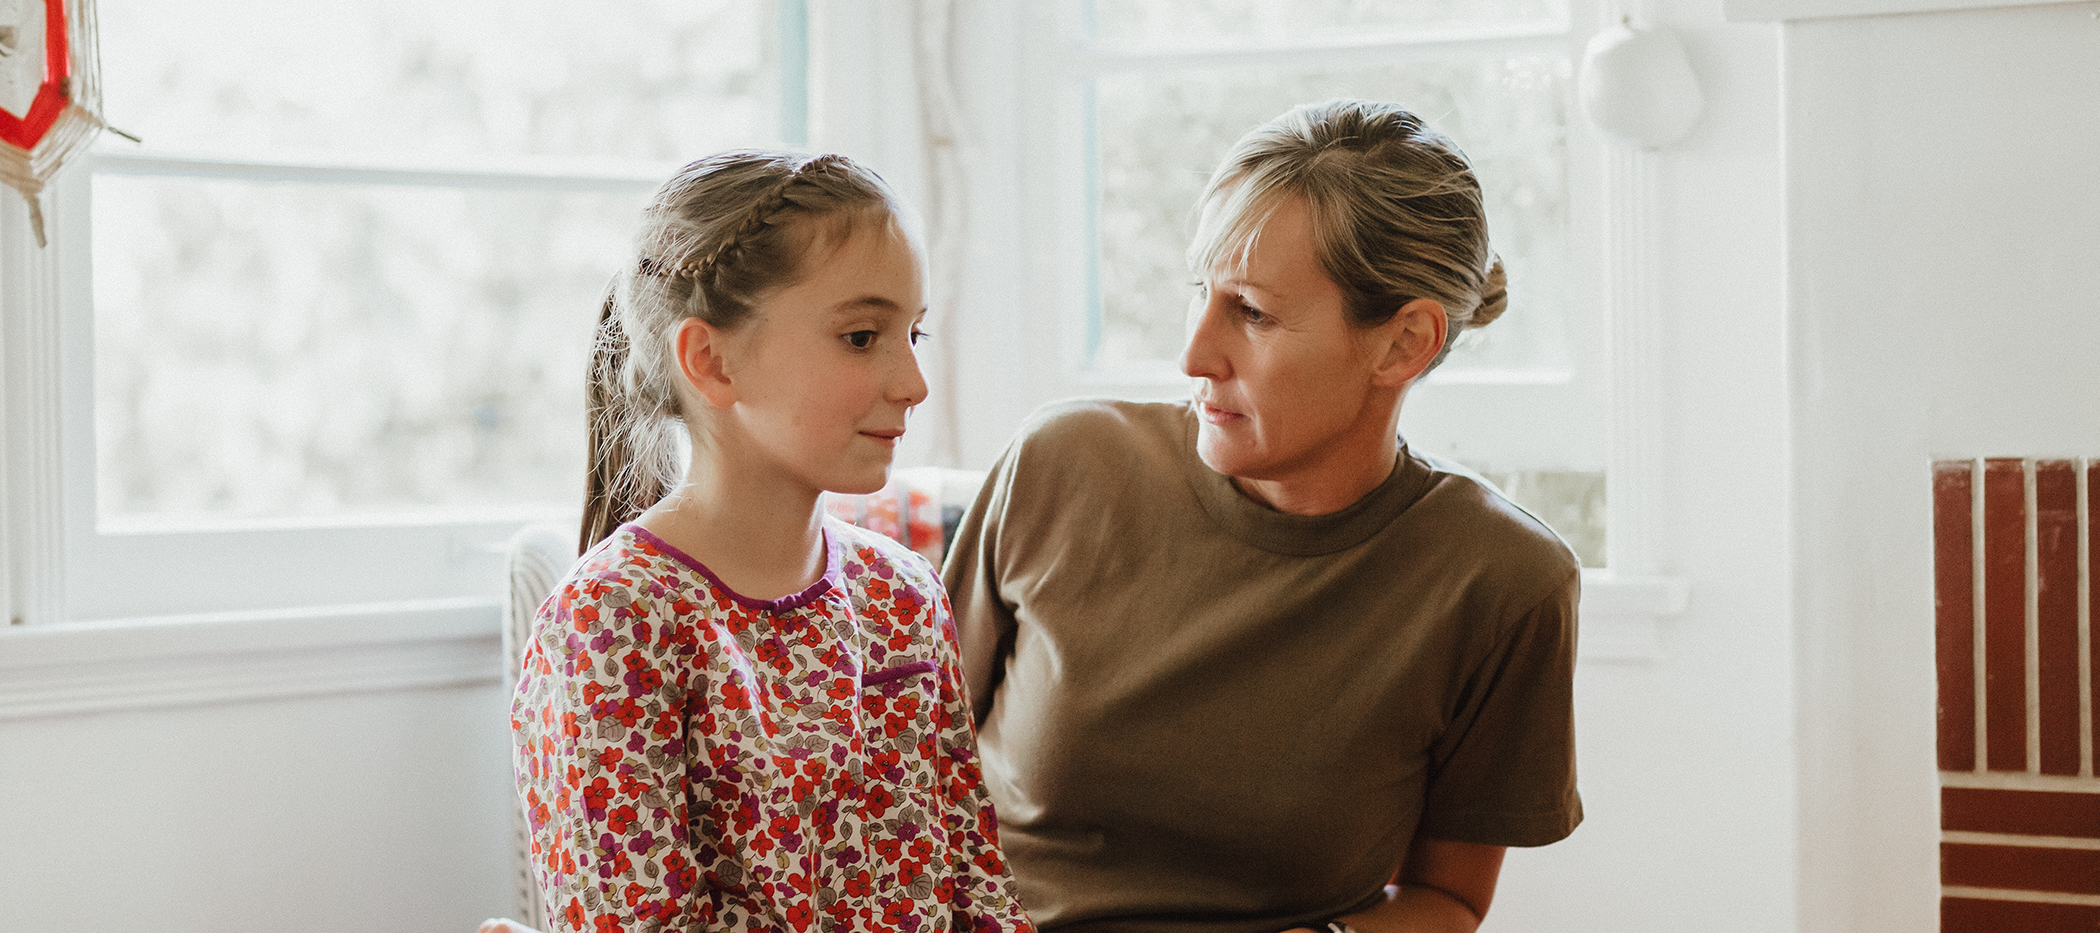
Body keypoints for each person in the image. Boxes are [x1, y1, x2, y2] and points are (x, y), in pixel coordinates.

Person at [943, 99, 1581, 933]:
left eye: (1250, 311)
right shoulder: (1063, 465)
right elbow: (911, 769)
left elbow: (1449, 900)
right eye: (1199, 294)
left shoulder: (1503, 581)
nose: (1193, 355)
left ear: (1403, 344)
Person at [507, 150, 1033, 933]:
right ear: (710, 361)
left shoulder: (905, 595)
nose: (914, 382)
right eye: (862, 336)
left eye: (913, 333)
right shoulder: (612, 627)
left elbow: (978, 890)